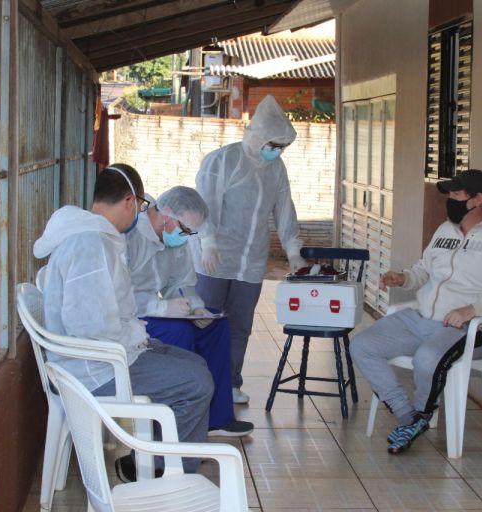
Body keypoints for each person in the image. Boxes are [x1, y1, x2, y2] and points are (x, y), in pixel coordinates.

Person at [33, 163, 213, 480]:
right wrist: (133, 339)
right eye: (142, 206)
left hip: (108, 353)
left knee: (195, 365)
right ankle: (169, 475)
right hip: (95, 369)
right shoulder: (88, 243)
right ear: (130, 201)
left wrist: (136, 336)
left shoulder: (96, 237)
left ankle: (162, 462)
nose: (139, 214)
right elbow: (89, 327)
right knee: (196, 383)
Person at [350, 169, 482, 455]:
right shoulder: (444, 231)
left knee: (427, 358)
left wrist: (474, 309)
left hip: (468, 330)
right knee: (361, 345)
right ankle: (409, 417)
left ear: (477, 199)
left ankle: (420, 414)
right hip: (421, 320)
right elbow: (424, 270)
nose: (450, 200)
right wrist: (403, 278)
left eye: (457, 195)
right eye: (449, 195)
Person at [191, 95, 306, 404]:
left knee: (240, 325)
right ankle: (200, 385)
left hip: (250, 261)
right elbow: (204, 204)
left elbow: (283, 209)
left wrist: (293, 250)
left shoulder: (276, 169)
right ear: (257, 137)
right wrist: (207, 241)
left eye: (281, 147)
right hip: (214, 258)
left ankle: (230, 383)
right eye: (273, 144)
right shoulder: (223, 161)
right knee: (207, 320)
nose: (276, 151)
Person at [126, 186, 254, 437]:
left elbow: (183, 283)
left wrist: (196, 307)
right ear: (168, 215)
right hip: (131, 317)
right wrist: (161, 307)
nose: (185, 237)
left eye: (190, 233)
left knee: (217, 326)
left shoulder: (173, 239)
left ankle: (216, 419)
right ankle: (177, 427)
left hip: (156, 312)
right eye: (185, 230)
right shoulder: (130, 236)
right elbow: (118, 296)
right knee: (179, 332)